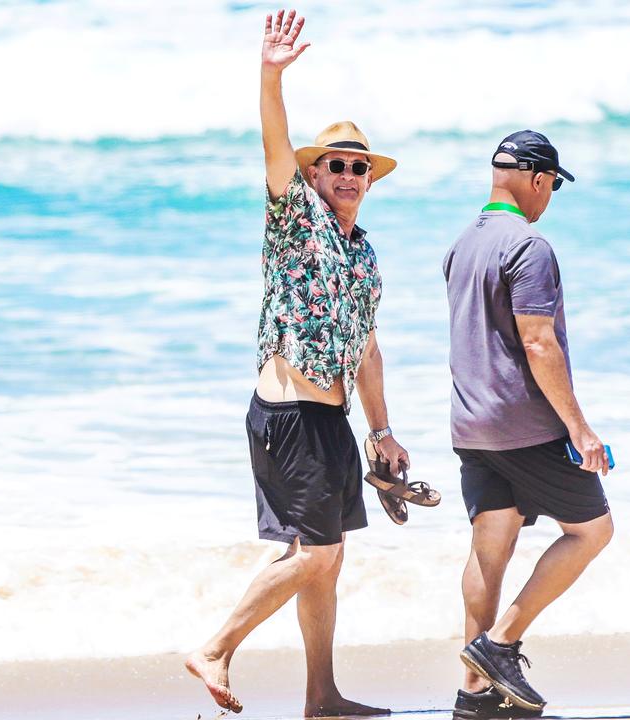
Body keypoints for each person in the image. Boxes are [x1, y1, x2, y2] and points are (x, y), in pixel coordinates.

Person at [185, 10, 412, 717]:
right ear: (316, 173)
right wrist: (271, 76)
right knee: (312, 554)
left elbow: (367, 347)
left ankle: (323, 698)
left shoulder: (365, 253)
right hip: (285, 413)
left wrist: (382, 433)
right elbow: (273, 145)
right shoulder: (294, 216)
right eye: (336, 165)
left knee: (328, 559)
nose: (348, 175)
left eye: (358, 168)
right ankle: (215, 647)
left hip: (332, 421)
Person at [442, 131, 615, 719]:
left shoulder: (462, 243)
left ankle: (474, 695)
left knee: (490, 549)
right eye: (551, 188)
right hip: (524, 426)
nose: (549, 200)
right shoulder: (530, 245)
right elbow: (538, 342)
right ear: (538, 179)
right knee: (592, 531)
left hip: (470, 425)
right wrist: (580, 429)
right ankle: (500, 644)